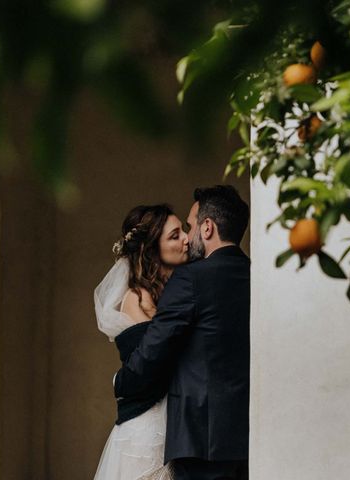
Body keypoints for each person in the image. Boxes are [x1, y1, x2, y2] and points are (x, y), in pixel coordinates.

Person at [114, 185, 251, 480]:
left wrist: (119, 382)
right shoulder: (255, 275)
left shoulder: (191, 278)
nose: (188, 237)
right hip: (248, 437)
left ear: (208, 226)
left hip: (199, 438)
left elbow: (153, 351)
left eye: (189, 226)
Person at [94, 204, 189, 480]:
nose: (185, 238)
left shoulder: (169, 291)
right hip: (148, 431)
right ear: (151, 249)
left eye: (183, 230)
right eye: (174, 235)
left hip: (170, 426)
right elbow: (154, 365)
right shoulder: (138, 298)